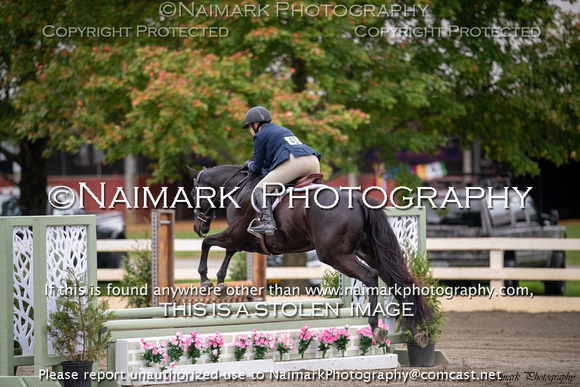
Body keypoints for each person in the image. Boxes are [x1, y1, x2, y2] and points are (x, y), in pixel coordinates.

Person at [242, 106, 320, 236]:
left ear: (255, 125)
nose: (250, 131)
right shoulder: (283, 130)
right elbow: (270, 163)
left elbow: (256, 167)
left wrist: (248, 164)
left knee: (260, 189)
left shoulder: (260, 135)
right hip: (313, 160)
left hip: (295, 162)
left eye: (249, 127)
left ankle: (268, 224)